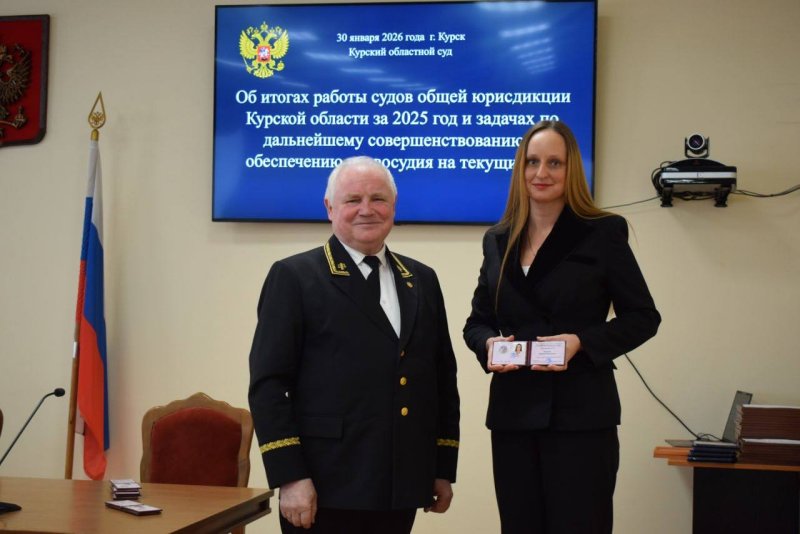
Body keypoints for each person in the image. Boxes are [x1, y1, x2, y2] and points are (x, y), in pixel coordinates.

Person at [463, 121, 660, 534]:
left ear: (572, 171)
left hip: (580, 416)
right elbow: (477, 322)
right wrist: (489, 346)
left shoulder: (602, 232)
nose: (541, 173)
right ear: (520, 169)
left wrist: (581, 342)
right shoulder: (497, 239)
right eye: (532, 162)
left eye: (554, 163)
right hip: (514, 416)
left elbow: (643, 317)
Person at [249, 156, 460, 534]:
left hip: (401, 485)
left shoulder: (422, 279)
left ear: (393, 206)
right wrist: (290, 476)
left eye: (378, 199)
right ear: (329, 207)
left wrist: (442, 467)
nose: (367, 209)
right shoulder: (295, 277)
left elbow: (442, 378)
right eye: (352, 200)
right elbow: (269, 386)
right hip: (325, 485)